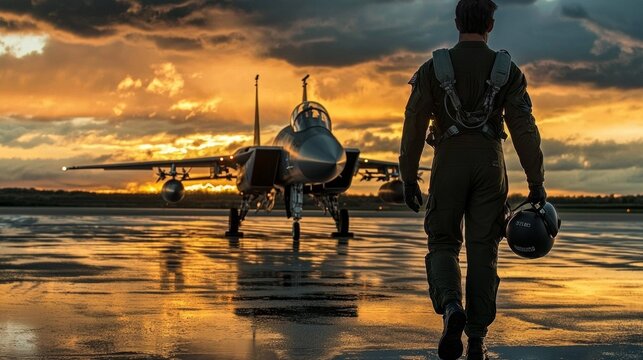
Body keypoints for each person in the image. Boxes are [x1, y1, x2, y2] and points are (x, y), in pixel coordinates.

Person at [398, 1, 546, 359]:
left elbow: (413, 125)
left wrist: (408, 177)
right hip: (490, 166)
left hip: (447, 163)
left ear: (456, 22)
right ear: (491, 24)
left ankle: (451, 308)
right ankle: (477, 337)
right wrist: (536, 181)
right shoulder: (507, 71)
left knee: (444, 242)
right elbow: (524, 129)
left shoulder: (433, 68)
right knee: (484, 249)